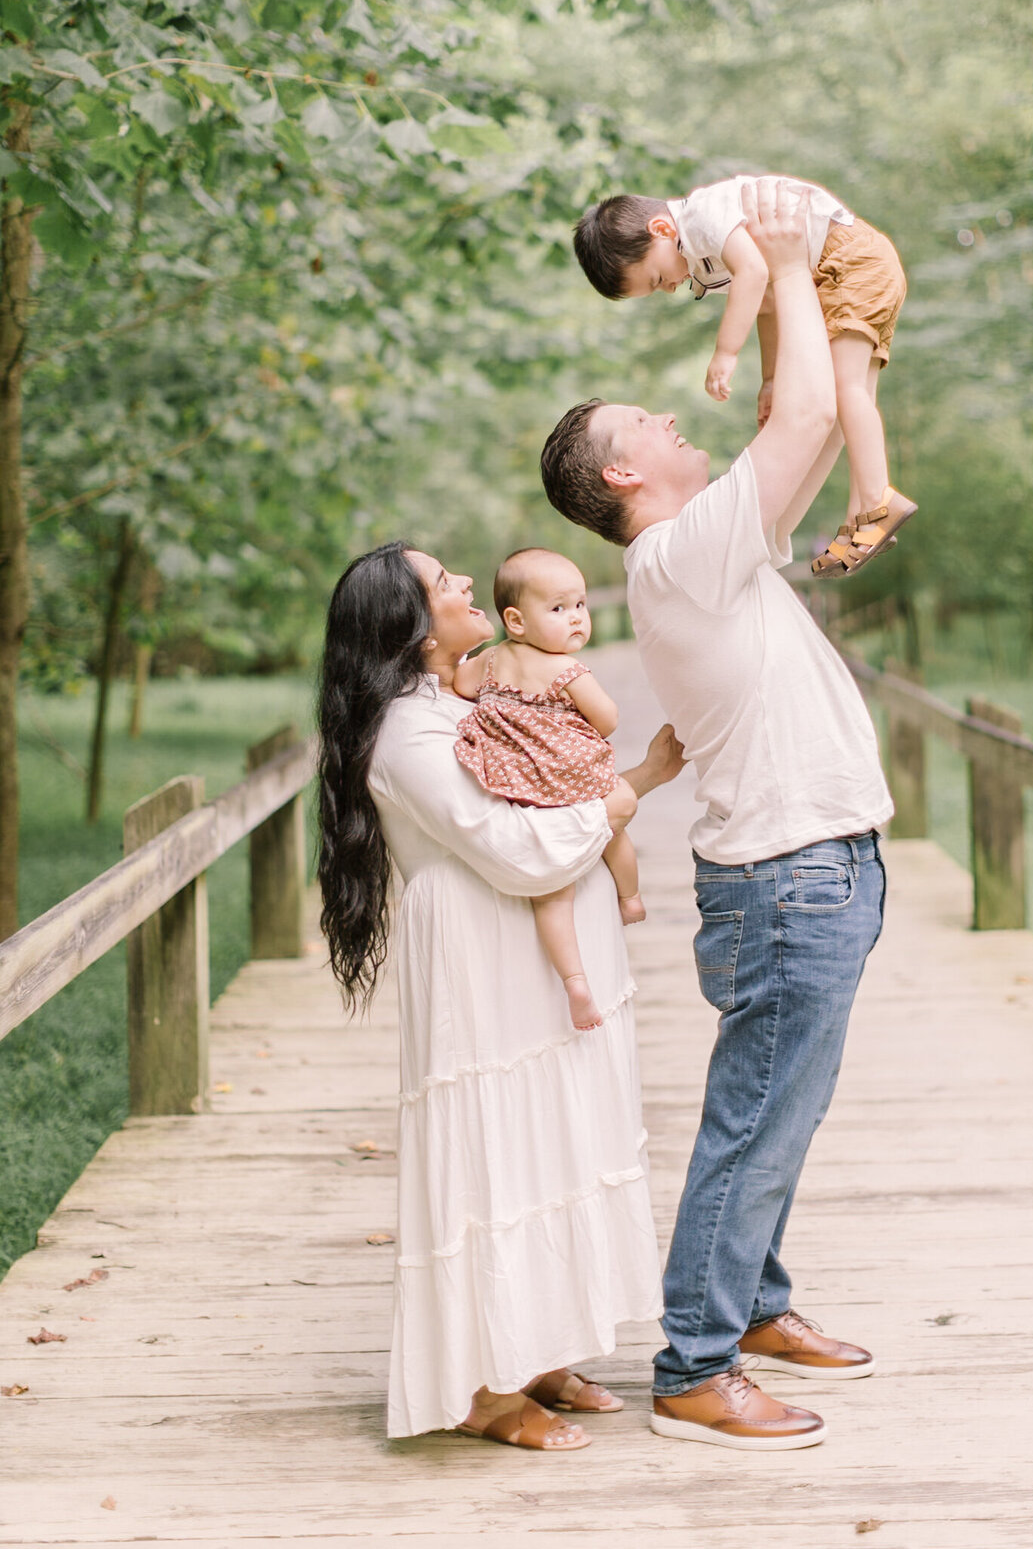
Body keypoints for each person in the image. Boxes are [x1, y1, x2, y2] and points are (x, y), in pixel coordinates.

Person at [542, 178, 892, 1453]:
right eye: (649, 419)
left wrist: (795, 305)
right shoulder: (676, 552)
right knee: (754, 1118)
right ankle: (695, 1359)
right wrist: (792, 268)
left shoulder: (715, 544)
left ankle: (756, 1307)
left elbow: (800, 452)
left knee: (783, 1109)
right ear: (625, 470)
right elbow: (804, 414)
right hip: (788, 877)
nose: (676, 420)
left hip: (817, 863)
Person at [316, 541, 683, 1450]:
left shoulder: (461, 698)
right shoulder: (407, 729)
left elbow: (548, 794)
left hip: (532, 959)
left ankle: (537, 1348)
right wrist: (622, 797)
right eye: (444, 584)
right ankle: (483, 1384)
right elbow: (514, 849)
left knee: (554, 1143)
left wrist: (622, 788)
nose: (467, 584)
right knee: (498, 1155)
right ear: (409, 624)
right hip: (484, 961)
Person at [573, 175, 914, 576]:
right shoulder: (698, 254)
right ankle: (862, 515)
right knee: (851, 398)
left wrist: (725, 352)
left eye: (656, 278)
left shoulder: (701, 220)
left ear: (661, 230)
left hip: (848, 262)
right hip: (843, 269)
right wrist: (769, 379)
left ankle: (877, 500)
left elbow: (753, 273)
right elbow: (767, 300)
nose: (668, 288)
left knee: (848, 390)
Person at [453, 548, 644, 1032]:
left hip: (519, 786)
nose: (577, 619)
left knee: (551, 895)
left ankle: (574, 981)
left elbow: (460, 683)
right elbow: (608, 719)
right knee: (612, 831)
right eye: (558, 609)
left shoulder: (493, 659)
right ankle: (630, 898)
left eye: (579, 605)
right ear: (515, 620)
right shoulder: (568, 672)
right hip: (574, 779)